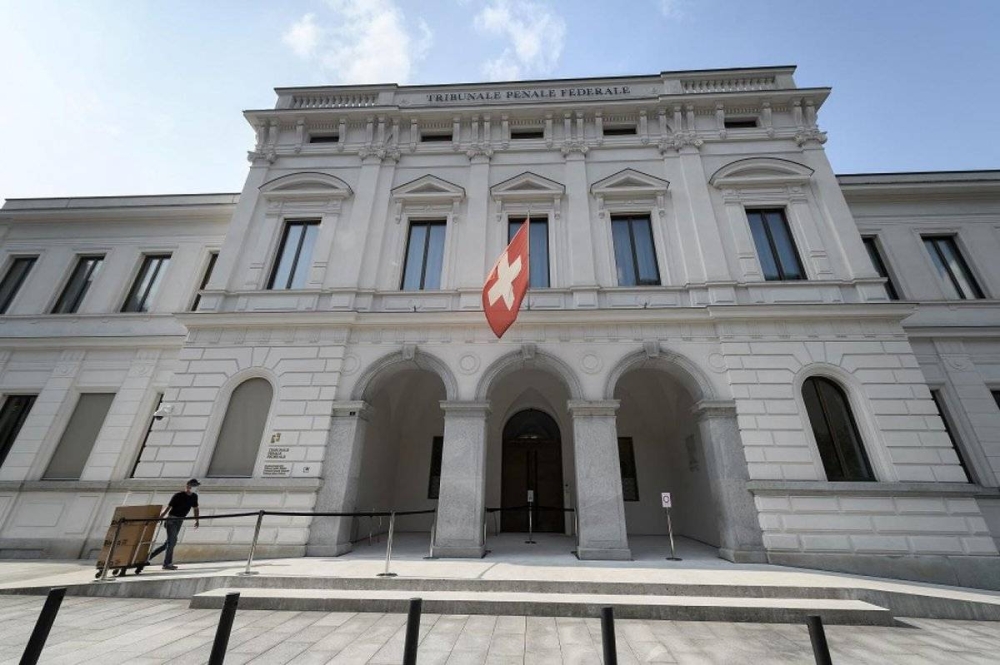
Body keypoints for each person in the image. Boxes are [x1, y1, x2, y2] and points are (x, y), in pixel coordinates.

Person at [147, 479, 200, 570]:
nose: (195, 488)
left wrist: (197, 520)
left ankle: (147, 557)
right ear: (188, 486)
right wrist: (161, 517)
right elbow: (169, 507)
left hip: (180, 520)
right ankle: (167, 564)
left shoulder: (194, 496)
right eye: (193, 485)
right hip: (171, 519)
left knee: (168, 543)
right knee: (172, 541)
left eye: (196, 486)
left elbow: (196, 508)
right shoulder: (178, 495)